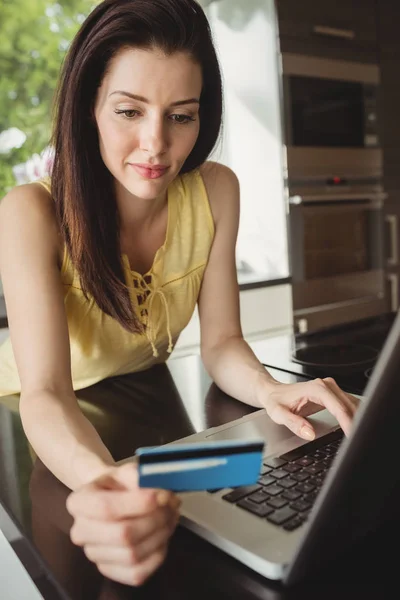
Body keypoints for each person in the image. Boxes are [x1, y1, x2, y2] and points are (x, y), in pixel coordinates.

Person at [0, 0, 359, 587]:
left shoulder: (216, 190)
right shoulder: (31, 211)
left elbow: (221, 343)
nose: (155, 145)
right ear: (88, 106)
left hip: (147, 406)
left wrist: (272, 390)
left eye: (181, 116)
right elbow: (45, 392)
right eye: (128, 111)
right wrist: (104, 485)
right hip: (31, 420)